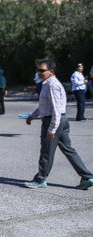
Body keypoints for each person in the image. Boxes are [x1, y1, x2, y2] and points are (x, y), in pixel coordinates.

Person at [24, 59, 93, 190]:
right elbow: (45, 106)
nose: (39, 73)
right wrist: (32, 116)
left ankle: (40, 179)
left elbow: (56, 109)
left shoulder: (52, 85)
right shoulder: (47, 84)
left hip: (54, 120)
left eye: (42, 70)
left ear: (51, 72)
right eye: (38, 70)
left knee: (46, 151)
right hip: (58, 120)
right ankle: (87, 177)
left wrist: (52, 128)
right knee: (69, 150)